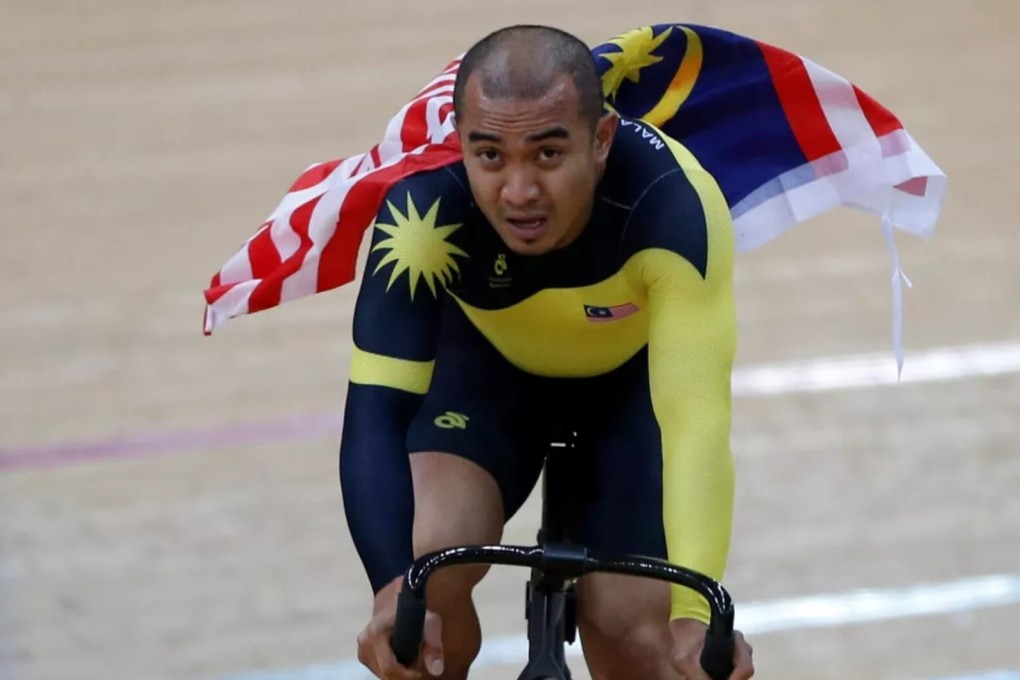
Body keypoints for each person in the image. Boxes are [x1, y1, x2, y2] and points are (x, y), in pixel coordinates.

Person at [340, 24, 754, 680]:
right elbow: (374, 416)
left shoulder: (672, 205)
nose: (520, 191)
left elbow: (696, 426)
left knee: (642, 635)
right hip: (482, 377)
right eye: (491, 156)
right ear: (461, 144)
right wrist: (393, 591)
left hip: (627, 393)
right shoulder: (423, 216)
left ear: (600, 141)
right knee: (425, 577)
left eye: (548, 155)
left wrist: (692, 614)